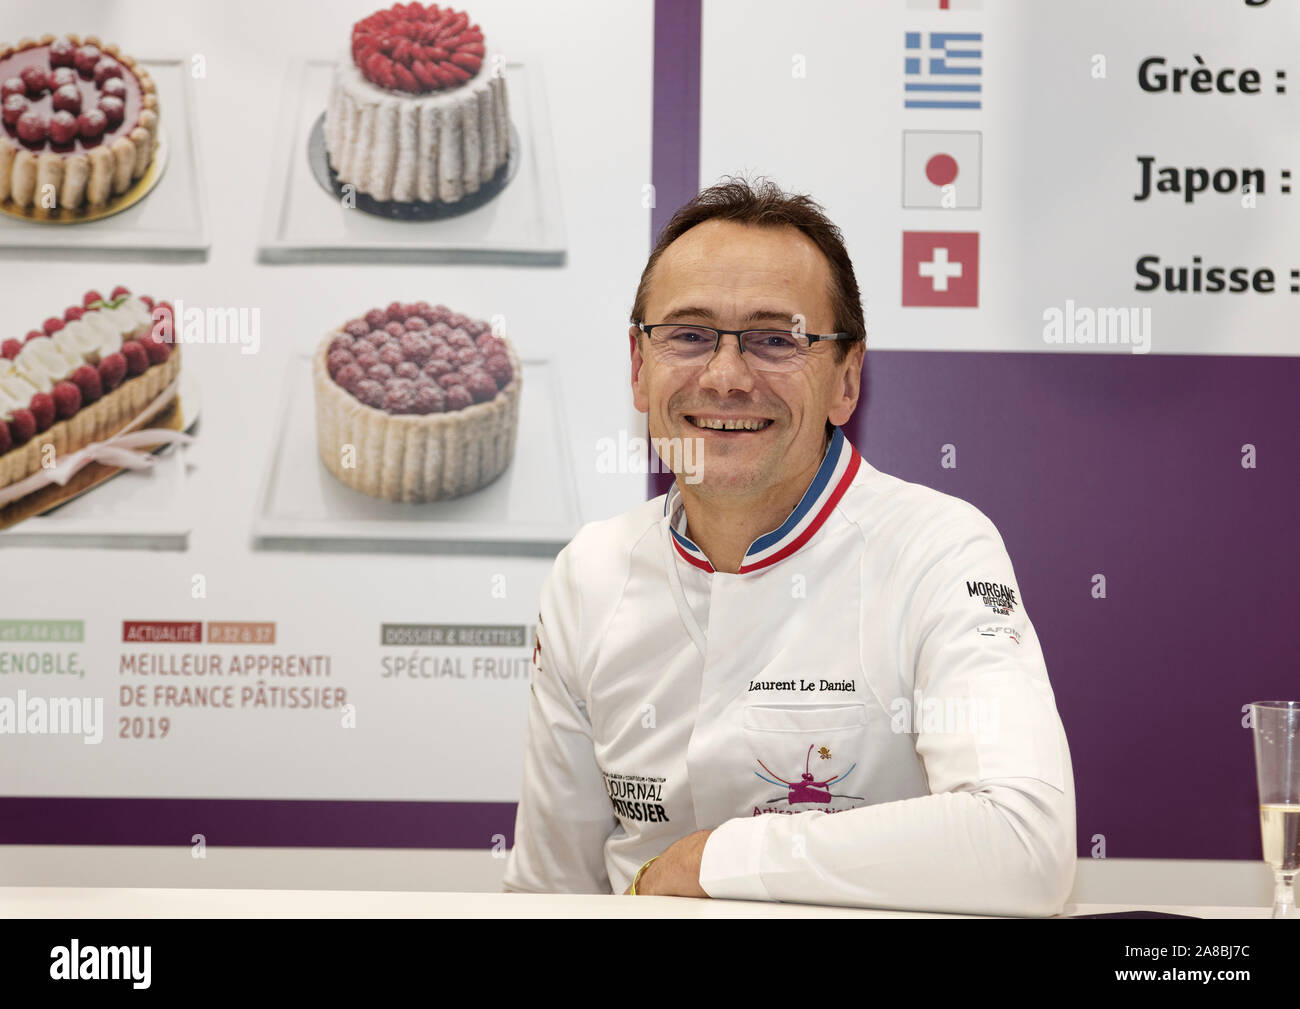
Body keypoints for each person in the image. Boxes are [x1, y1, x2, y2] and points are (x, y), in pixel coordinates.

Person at [502, 177, 1076, 916]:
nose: (726, 377)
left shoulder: (937, 549)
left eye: (778, 339)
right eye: (688, 334)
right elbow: (548, 896)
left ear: (847, 379)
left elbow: (1023, 845)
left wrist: (712, 858)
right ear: (639, 369)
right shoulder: (590, 571)